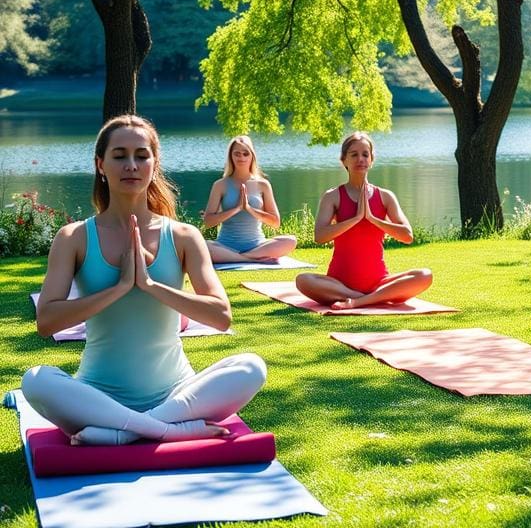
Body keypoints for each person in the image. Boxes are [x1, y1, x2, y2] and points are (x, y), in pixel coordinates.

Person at [22, 115, 267, 446]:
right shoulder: (74, 237)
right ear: (100, 164)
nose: (131, 165)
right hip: (97, 397)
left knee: (251, 367)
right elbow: (46, 322)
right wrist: (120, 287)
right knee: (35, 380)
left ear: (154, 163)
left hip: (176, 395)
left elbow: (221, 316)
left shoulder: (183, 236)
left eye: (141, 155)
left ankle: (125, 432)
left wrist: (151, 286)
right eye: (119, 155)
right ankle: (165, 430)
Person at [295, 132, 432, 310]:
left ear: (371, 160)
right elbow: (319, 236)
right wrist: (355, 219)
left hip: (379, 281)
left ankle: (359, 301)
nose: (360, 159)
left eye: (365, 154)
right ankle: (372, 299)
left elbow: (407, 236)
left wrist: (373, 219)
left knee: (424, 275)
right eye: (354, 154)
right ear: (344, 160)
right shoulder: (333, 196)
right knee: (303, 280)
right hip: (338, 284)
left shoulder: (385, 196)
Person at [203, 135, 297, 263]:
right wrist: (236, 209)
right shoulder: (220, 185)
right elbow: (208, 222)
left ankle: (242, 258)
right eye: (237, 154)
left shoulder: (263, 184)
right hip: (225, 246)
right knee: (203, 246)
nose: (241, 157)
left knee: (290, 241)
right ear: (231, 156)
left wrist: (249, 209)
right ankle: (253, 259)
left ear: (252, 156)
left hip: (257, 245)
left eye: (245, 154)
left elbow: (275, 222)